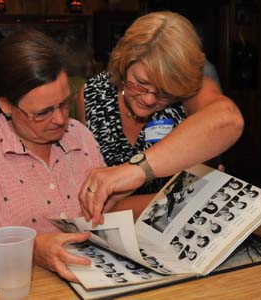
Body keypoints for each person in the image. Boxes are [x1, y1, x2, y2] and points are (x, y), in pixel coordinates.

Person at [0, 29, 107, 283]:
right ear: (6, 105)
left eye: (64, 103)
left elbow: (106, 208)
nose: (59, 120)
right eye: (42, 112)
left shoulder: (79, 135)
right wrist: (31, 248)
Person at [75, 11, 244, 226]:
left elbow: (229, 120)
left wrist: (137, 170)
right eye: (139, 82)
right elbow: (92, 203)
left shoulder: (189, 91)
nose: (149, 99)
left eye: (165, 91)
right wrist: (183, 198)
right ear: (124, 62)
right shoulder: (91, 95)